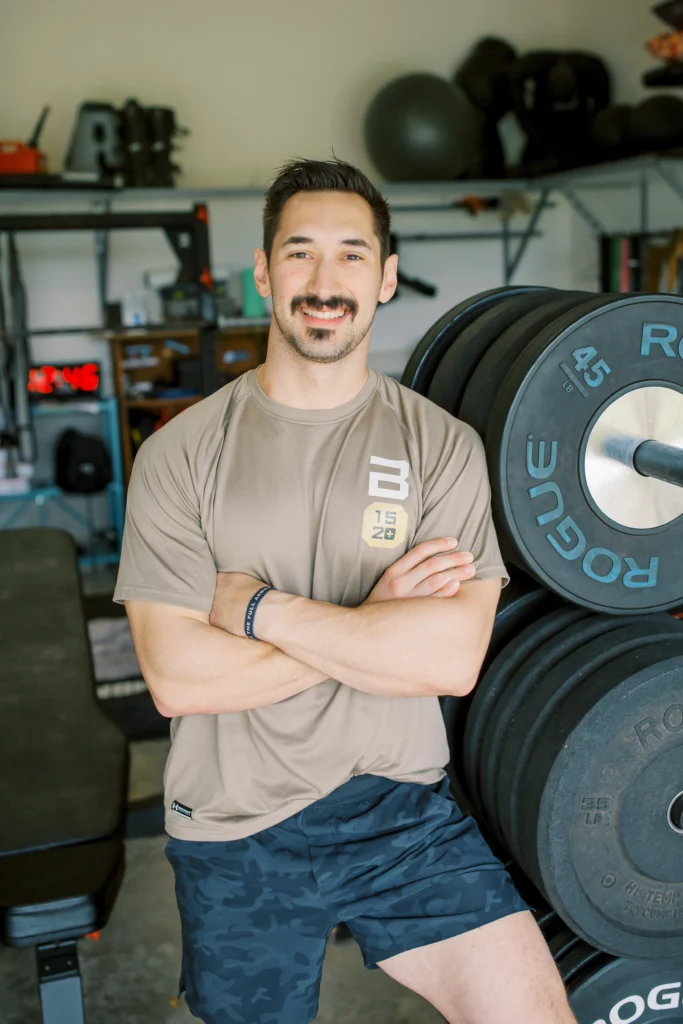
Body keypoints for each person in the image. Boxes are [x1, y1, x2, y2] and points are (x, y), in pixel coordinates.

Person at [114, 157, 578, 1024]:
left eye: (351, 255)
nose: (325, 282)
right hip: (231, 823)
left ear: (386, 276)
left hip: (398, 810)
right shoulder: (180, 454)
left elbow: (447, 658)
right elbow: (177, 680)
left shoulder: (439, 447)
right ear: (262, 273)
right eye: (299, 254)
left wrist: (253, 607)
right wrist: (373, 630)